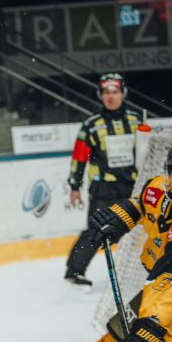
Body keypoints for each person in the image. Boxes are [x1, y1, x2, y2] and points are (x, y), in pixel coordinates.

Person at [47, 143, 172, 342]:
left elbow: (170, 289)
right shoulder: (158, 189)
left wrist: (150, 328)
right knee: (116, 339)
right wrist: (120, 214)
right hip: (160, 284)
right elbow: (142, 204)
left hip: (171, 290)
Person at [63, 73, 141, 287]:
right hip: (103, 187)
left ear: (123, 94)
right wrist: (75, 186)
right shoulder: (91, 125)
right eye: (106, 92)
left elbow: (147, 150)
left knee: (143, 228)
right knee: (95, 229)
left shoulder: (137, 121)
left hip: (132, 186)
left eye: (115, 91)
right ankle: (74, 272)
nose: (111, 96)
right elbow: (79, 157)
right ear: (100, 95)